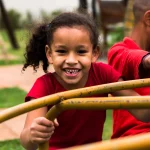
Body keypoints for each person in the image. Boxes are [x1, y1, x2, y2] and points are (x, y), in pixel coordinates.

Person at [20, 12, 150, 150]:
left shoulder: (103, 74)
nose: (71, 60)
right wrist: (33, 133)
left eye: (81, 52)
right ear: (49, 54)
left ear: (94, 53)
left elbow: (142, 111)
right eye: (62, 51)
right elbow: (27, 141)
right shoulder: (44, 86)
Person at [108, 0, 150, 139]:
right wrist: (147, 59)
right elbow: (131, 58)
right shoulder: (118, 52)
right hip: (134, 140)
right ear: (148, 19)